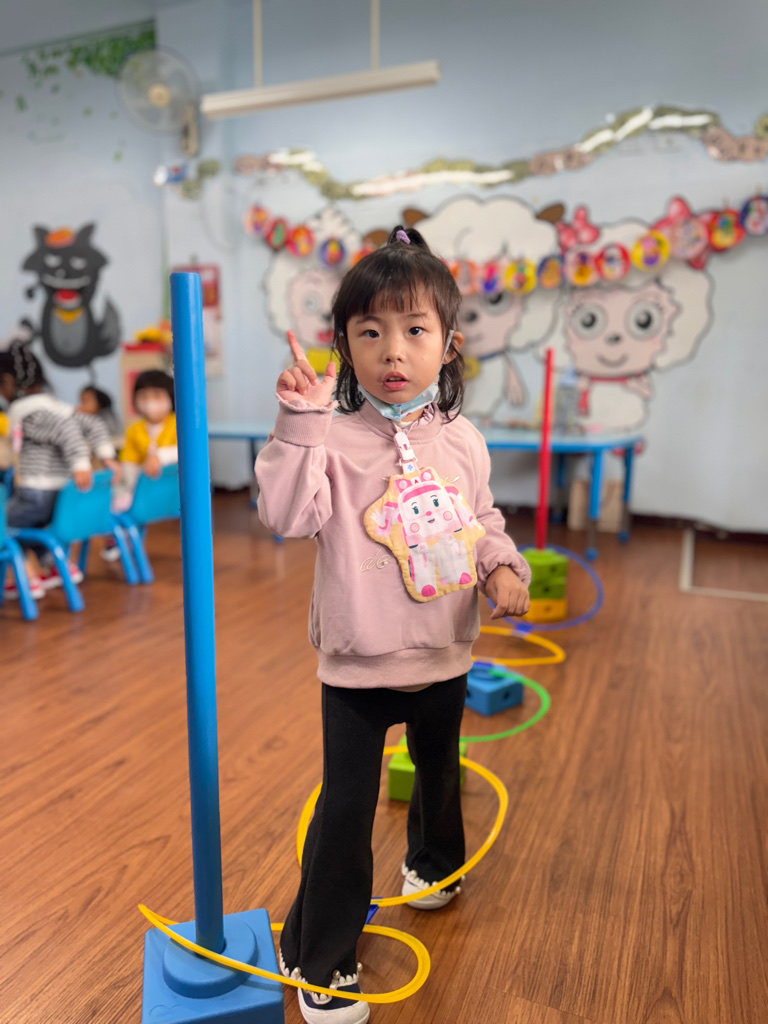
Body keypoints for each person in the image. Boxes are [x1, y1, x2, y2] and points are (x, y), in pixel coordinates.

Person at [255, 226, 531, 1024]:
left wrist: (502, 566)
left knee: (440, 771)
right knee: (346, 810)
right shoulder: (327, 436)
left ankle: (434, 865)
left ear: (449, 344)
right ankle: (319, 958)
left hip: (446, 650)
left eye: (414, 329)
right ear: (343, 345)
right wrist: (299, 420)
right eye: (369, 332)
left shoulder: (462, 439)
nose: (393, 350)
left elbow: (481, 520)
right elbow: (284, 516)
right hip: (358, 663)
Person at [2, 341, 118, 597]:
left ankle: (27, 579)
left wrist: (80, 463)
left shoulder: (31, 414)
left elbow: (65, 431)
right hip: (60, 494)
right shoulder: (60, 409)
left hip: (36, 493)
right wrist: (107, 456)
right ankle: (57, 566)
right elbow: (93, 424)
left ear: (8, 384)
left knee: (4, 527)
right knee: (29, 530)